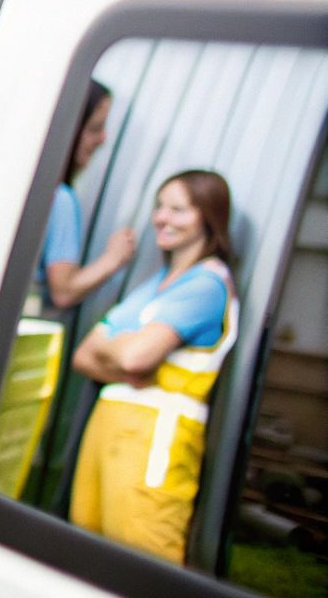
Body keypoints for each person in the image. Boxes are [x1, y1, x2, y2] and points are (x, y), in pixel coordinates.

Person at [69, 169, 239, 564]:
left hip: (153, 447)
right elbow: (84, 354)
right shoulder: (155, 283)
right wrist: (128, 352)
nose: (162, 217)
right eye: (159, 206)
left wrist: (120, 347)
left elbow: (133, 357)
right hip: (109, 437)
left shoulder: (206, 285)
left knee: (141, 565)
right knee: (87, 566)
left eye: (178, 209)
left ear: (208, 217)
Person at [38, 79, 135, 310]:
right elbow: (63, 291)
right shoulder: (60, 199)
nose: (103, 139)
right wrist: (114, 258)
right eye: (94, 128)